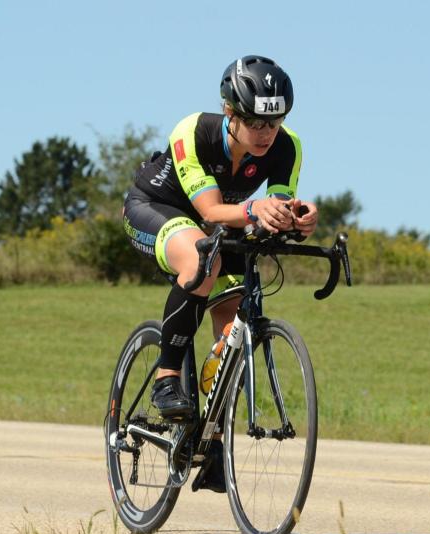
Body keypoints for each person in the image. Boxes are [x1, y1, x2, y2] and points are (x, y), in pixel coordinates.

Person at [122, 55, 319, 489]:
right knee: (200, 258)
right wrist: (254, 209)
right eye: (256, 123)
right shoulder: (194, 132)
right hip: (156, 209)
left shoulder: (287, 146)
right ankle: (166, 378)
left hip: (217, 225)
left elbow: (275, 208)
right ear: (231, 112)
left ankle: (209, 437)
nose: (268, 133)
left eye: (276, 121)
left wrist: (297, 218)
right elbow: (211, 209)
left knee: (233, 332)